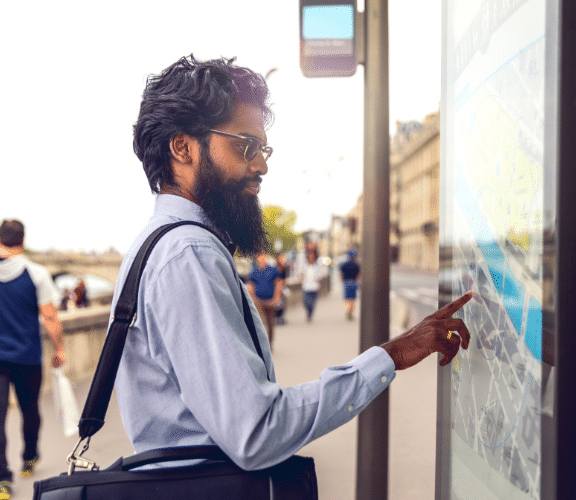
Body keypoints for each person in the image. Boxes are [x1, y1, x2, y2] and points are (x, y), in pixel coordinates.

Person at [111, 55, 472, 477]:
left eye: (263, 149)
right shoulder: (188, 253)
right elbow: (256, 431)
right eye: (245, 145)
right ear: (183, 147)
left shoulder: (156, 243)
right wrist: (390, 355)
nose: (261, 164)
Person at [0, 220, 66, 500]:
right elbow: (50, 317)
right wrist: (60, 349)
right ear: (23, 241)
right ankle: (29, 458)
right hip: (28, 357)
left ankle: (2, 480)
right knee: (30, 410)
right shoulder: (36, 272)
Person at [245, 250, 282, 347]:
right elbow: (251, 285)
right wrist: (252, 298)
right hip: (258, 300)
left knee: (270, 322)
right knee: (259, 322)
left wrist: (277, 296)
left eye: (262, 256)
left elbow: (278, 282)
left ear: (265, 256)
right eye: (258, 256)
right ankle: (261, 343)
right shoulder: (254, 271)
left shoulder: (272, 269)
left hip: (270, 300)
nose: (260, 258)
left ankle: (270, 342)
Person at [298, 243, 326, 323]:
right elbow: (300, 274)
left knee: (313, 303)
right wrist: (301, 278)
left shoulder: (317, 266)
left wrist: (318, 278)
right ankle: (308, 313)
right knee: (306, 302)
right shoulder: (304, 266)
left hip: (314, 287)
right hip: (306, 286)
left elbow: (322, 274)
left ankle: (310, 316)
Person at [339, 248, 360, 320]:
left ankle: (348, 311)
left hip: (346, 282)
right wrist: (356, 281)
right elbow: (358, 275)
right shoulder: (357, 265)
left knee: (347, 299)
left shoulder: (344, 264)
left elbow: (341, 274)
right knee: (353, 299)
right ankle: (351, 312)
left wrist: (342, 281)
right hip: (354, 282)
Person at [274, 253, 289, 325]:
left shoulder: (285, 268)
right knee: (277, 303)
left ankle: (281, 317)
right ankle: (277, 317)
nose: (283, 259)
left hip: (283, 288)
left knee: (282, 303)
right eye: (282, 258)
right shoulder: (275, 268)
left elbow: (285, 278)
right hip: (276, 287)